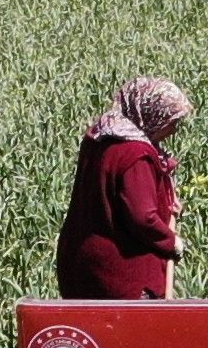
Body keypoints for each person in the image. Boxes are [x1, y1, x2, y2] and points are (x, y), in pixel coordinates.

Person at [59, 77, 193, 300]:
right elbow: (142, 217)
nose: (175, 128)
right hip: (122, 273)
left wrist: (165, 198)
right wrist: (172, 242)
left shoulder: (100, 138)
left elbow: (110, 191)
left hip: (82, 264)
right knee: (134, 334)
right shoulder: (136, 154)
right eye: (171, 120)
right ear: (152, 115)